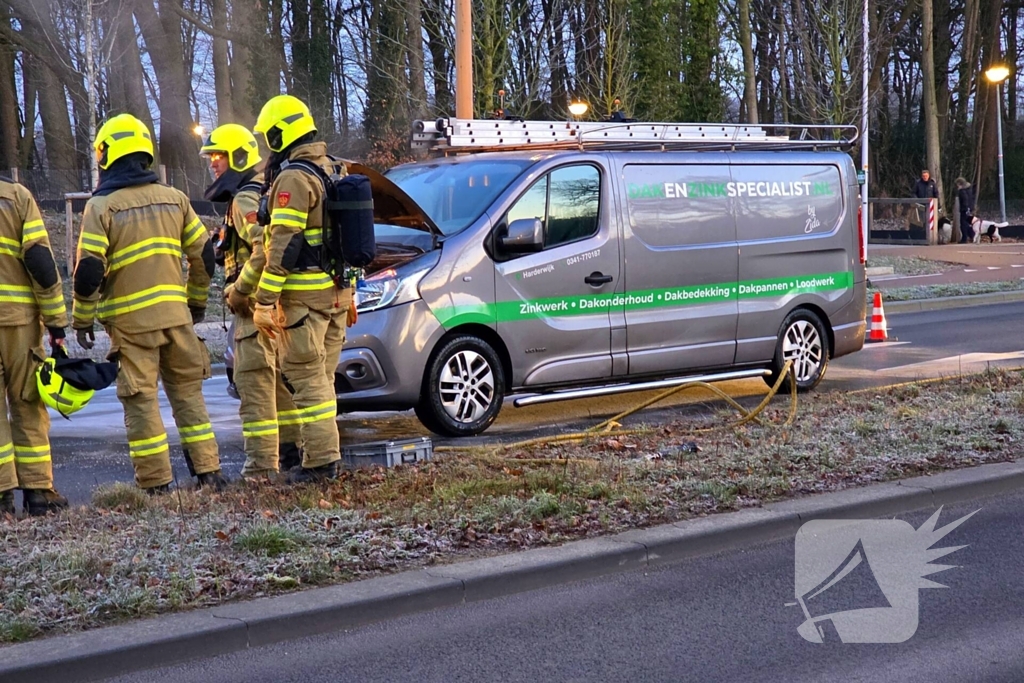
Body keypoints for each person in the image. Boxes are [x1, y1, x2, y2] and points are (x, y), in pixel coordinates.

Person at [72, 113, 228, 494]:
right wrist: (194, 305)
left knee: (141, 401)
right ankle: (208, 473)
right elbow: (204, 255)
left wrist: (82, 320)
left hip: (130, 325)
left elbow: (90, 269)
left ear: (107, 155)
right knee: (189, 395)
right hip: (176, 319)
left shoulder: (101, 207)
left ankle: (156, 484)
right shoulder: (175, 199)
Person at [251, 95, 352, 483]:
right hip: (337, 296)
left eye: (269, 135)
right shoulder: (333, 169)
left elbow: (285, 244)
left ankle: (321, 464)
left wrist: (265, 299)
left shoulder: (294, 177)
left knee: (309, 384)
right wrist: (351, 291)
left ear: (281, 133)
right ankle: (321, 456)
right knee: (322, 380)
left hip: (305, 301)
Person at [200, 123, 304, 478]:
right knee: (278, 387)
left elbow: (264, 247)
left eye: (218, 156)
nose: (214, 164)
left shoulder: (244, 198)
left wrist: (240, 290)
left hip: (253, 312)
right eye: (211, 157)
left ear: (238, 157)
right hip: (273, 309)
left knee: (255, 389)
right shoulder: (259, 192)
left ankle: (260, 470)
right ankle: (292, 456)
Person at [0, 176, 70, 516]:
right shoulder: (16, 197)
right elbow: (40, 263)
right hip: (19, 322)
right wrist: (56, 322)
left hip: (18, 319)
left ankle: (1, 499)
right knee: (27, 402)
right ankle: (38, 492)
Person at [955, 177, 975, 244]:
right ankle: (972, 236)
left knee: (963, 224)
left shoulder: (962, 191)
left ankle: (964, 239)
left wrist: (966, 208)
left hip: (964, 209)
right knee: (968, 224)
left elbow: (965, 200)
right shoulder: (968, 189)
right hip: (969, 208)